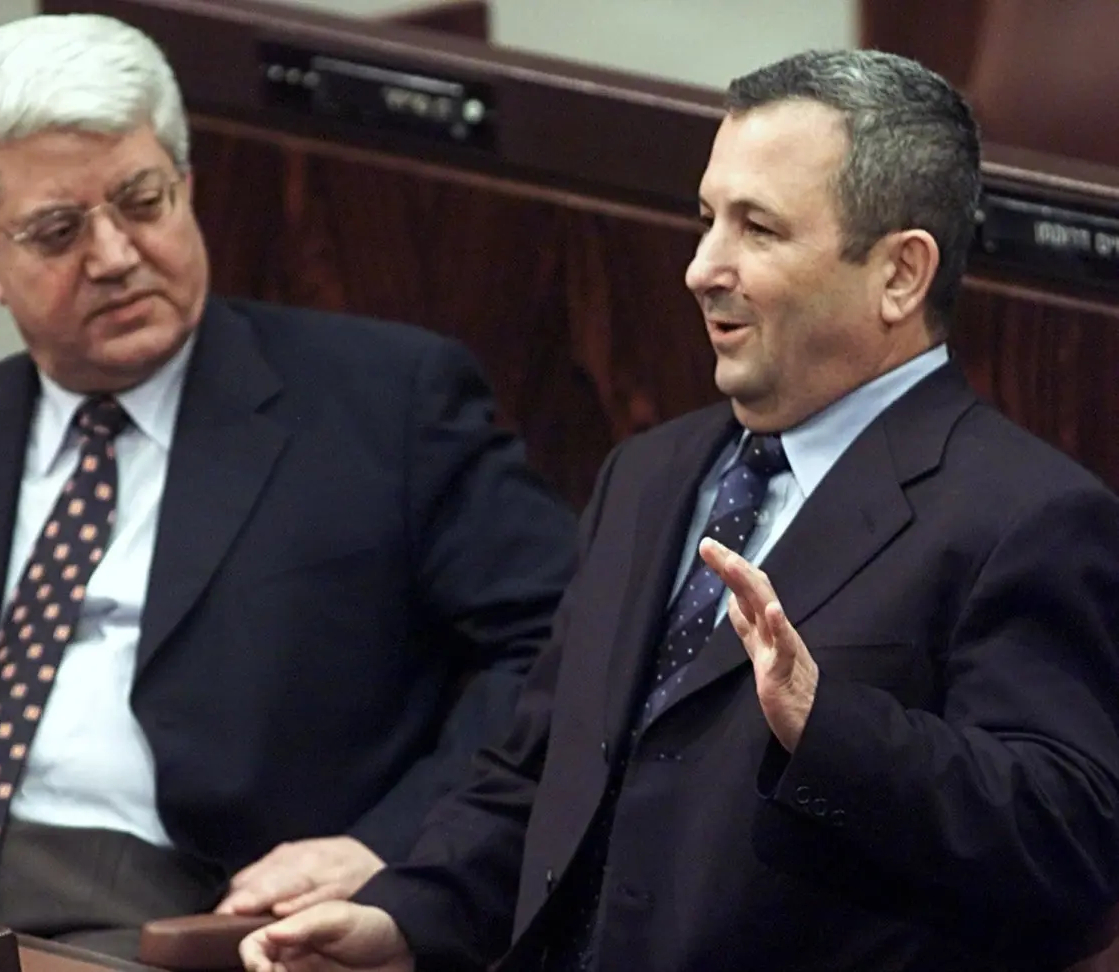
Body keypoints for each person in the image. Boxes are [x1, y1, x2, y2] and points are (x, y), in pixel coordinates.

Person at [239, 48, 1119, 972]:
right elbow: (537, 780)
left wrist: (828, 728)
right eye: (706, 221)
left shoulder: (1028, 517)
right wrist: (404, 920)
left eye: (759, 229)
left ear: (900, 274)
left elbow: (1071, 843)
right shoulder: (651, 475)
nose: (703, 268)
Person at [0, 12, 576, 959]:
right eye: (57, 230)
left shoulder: (387, 403)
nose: (116, 256)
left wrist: (395, 847)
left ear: (189, 190)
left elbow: (566, 647)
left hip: (173, 917)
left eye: (142, 201)